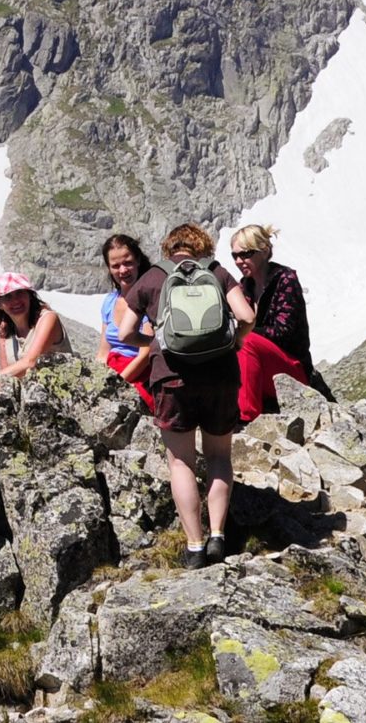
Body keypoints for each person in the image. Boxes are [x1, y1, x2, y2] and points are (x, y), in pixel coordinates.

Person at [113, 224, 260, 568]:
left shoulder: (151, 278)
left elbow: (124, 332)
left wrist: (154, 344)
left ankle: (195, 546)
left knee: (180, 462)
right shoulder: (218, 272)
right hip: (221, 376)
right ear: (203, 247)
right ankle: (219, 538)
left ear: (169, 248)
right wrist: (235, 341)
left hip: (171, 378)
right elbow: (248, 316)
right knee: (219, 457)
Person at [229, 224, 332, 395]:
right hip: (264, 364)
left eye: (246, 254)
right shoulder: (244, 286)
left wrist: (245, 328)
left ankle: (245, 416)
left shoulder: (285, 279)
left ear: (263, 251)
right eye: (235, 256)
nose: (239, 261)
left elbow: (282, 333)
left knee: (246, 341)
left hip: (293, 368)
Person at [97, 234, 155, 407]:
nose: (123, 270)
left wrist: (118, 383)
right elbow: (103, 352)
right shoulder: (109, 302)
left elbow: (146, 353)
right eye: (115, 265)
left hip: (140, 374)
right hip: (114, 370)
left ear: (138, 260)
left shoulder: (150, 300)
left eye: (127, 262)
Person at [0, 272, 66, 389]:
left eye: (20, 293)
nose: (15, 300)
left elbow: (30, 362)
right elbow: (6, 372)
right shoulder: (5, 329)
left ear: (29, 296)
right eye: (8, 296)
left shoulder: (47, 319)